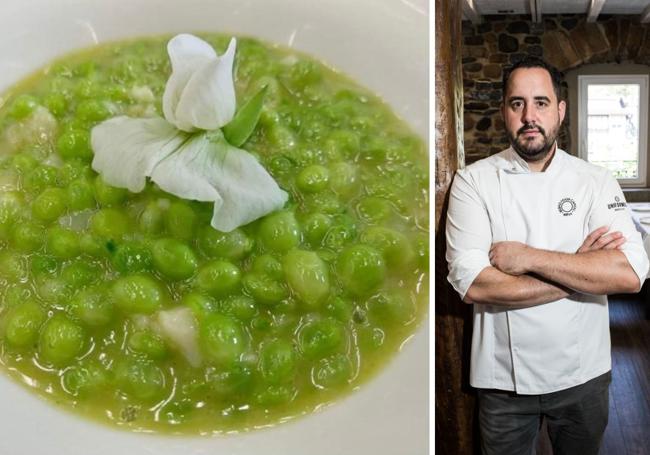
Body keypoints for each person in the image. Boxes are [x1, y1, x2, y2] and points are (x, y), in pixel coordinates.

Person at [445, 56, 650, 455]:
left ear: (560, 110)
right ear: (504, 111)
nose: (529, 116)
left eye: (541, 102)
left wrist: (527, 257)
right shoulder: (473, 182)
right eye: (517, 103)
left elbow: (629, 273)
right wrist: (579, 270)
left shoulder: (595, 181)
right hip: (503, 380)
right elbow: (472, 283)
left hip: (584, 376)